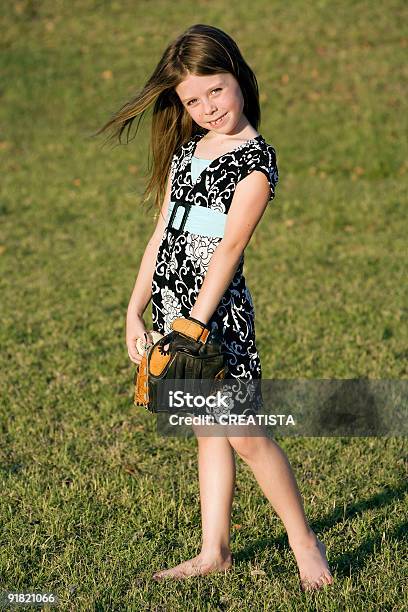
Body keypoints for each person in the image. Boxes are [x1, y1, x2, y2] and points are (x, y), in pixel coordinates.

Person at [96, 23, 334, 592]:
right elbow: (161, 237)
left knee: (247, 435)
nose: (206, 107)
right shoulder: (188, 151)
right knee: (207, 431)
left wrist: (193, 327)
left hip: (215, 322)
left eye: (216, 90)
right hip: (174, 314)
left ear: (240, 79)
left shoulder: (253, 160)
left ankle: (306, 545)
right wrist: (135, 311)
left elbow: (228, 248)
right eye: (192, 99)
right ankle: (214, 552)